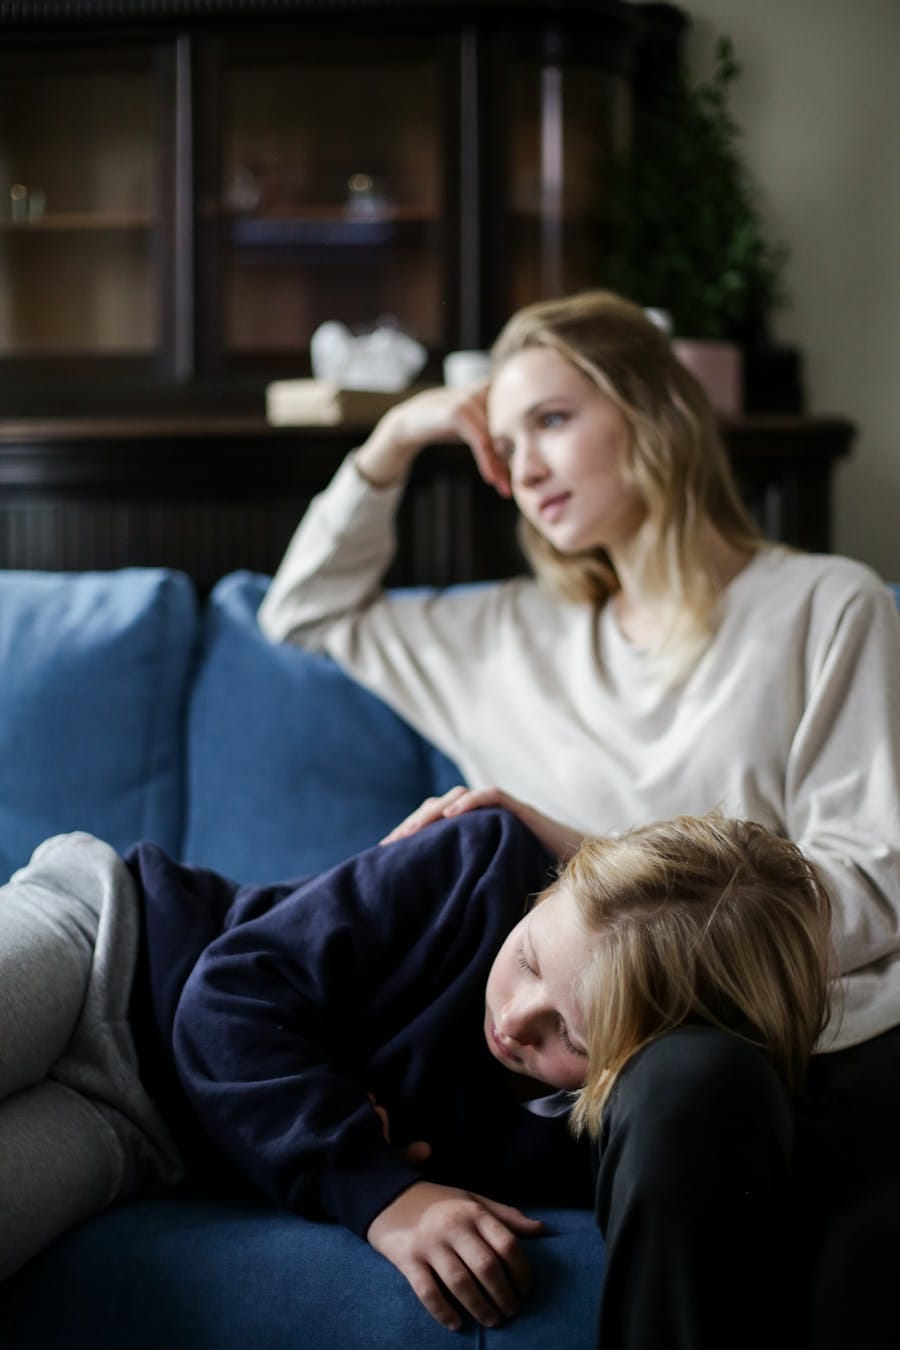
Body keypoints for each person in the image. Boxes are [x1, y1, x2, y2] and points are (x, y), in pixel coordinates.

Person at [257, 289, 900, 1348]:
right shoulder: (506, 637)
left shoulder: (829, 605)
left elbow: (874, 884)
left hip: (837, 1028)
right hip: (638, 1052)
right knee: (692, 1081)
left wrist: (575, 846)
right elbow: (303, 611)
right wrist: (396, 438)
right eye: (504, 446)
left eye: (551, 421)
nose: (522, 469)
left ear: (653, 414)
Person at [0, 806, 831, 1342]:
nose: (514, 1021)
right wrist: (384, 1195)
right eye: (529, 962)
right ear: (550, 892)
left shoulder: (598, 1131)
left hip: (141, 1134)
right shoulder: (474, 862)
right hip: (107, 943)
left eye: (568, 1037)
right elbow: (223, 1004)